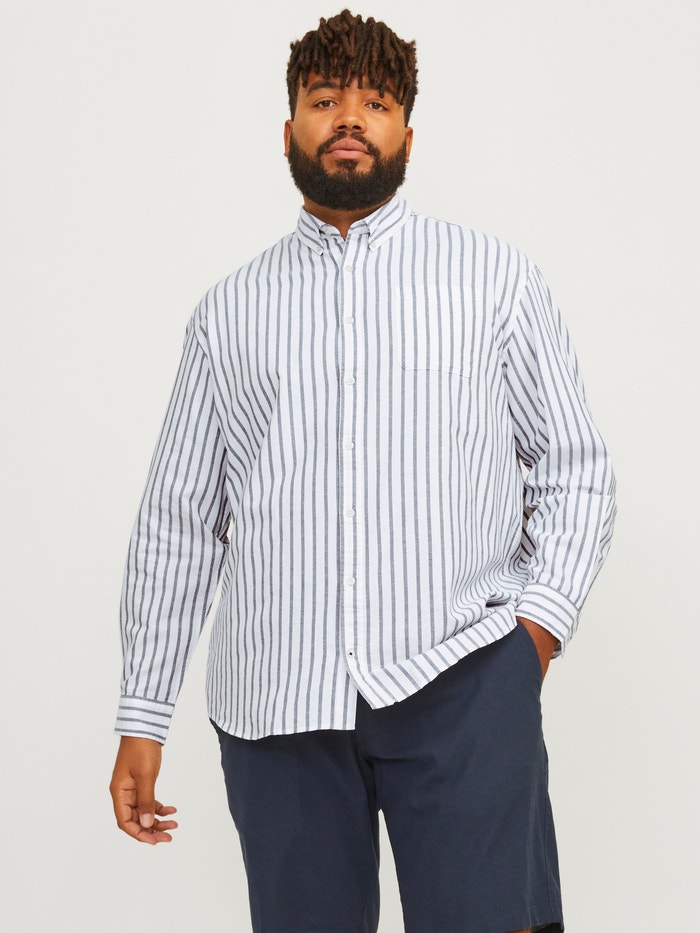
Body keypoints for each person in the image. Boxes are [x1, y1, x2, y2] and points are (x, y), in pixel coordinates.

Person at [110, 10, 615, 933]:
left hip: (465, 678)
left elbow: (575, 468)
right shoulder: (228, 314)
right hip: (276, 702)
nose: (349, 117)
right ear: (289, 131)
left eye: (376, 102)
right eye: (324, 99)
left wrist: (532, 638)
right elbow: (179, 521)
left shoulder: (494, 280)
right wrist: (143, 715)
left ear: (408, 137)